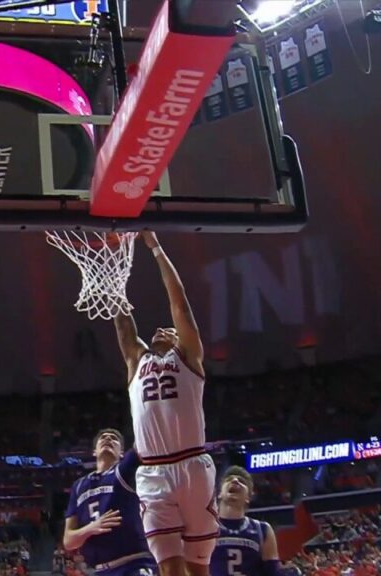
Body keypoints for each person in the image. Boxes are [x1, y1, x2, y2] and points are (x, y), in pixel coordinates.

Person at [113, 232, 217, 576]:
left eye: (169, 330)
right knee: (170, 570)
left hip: (192, 466)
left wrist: (155, 247)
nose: (162, 328)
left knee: (198, 569)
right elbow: (124, 322)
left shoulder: (188, 356)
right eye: (157, 329)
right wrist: (113, 265)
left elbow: (179, 304)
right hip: (153, 472)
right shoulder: (136, 361)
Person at [63, 428, 157, 576]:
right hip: (101, 570)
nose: (107, 439)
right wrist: (92, 528)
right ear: (94, 451)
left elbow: (144, 439)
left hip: (134, 564)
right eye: (103, 437)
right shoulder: (79, 486)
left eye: (114, 438)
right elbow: (68, 541)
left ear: (122, 453)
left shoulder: (123, 472)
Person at [210, 467, 279, 576]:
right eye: (229, 479)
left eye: (242, 481)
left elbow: (273, 572)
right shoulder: (205, 527)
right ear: (219, 493)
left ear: (248, 497)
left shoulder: (262, 529)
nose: (235, 480)